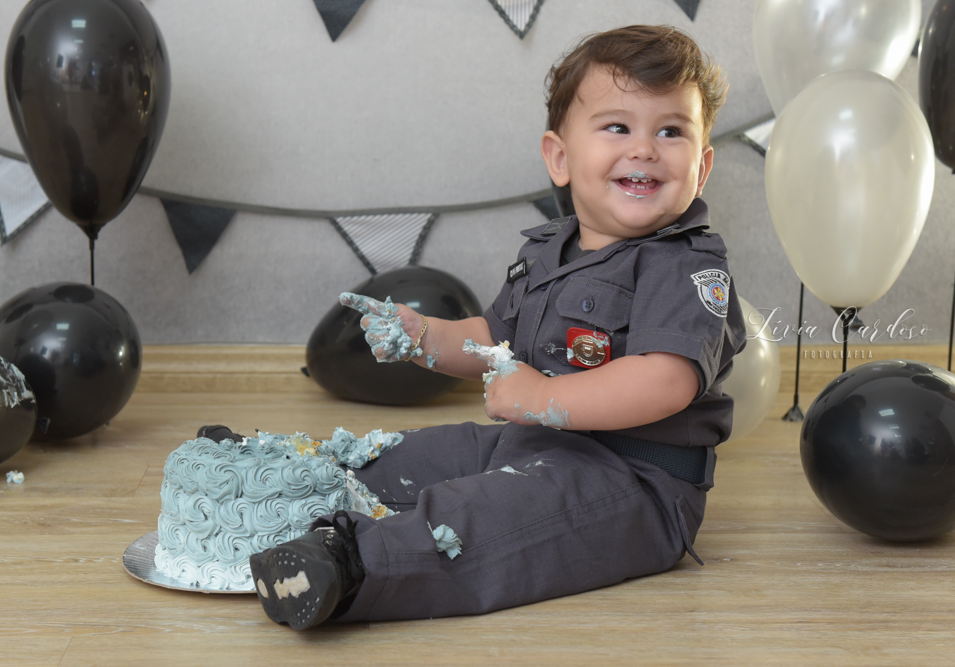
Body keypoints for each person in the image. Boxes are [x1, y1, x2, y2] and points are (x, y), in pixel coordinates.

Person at [237, 24, 747, 629]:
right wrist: (426, 337)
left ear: (703, 165)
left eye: (671, 131)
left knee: (481, 516)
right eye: (618, 126)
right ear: (560, 157)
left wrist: (541, 397)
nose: (645, 148)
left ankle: (346, 568)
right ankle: (275, 481)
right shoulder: (547, 253)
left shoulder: (684, 264)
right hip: (531, 441)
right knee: (414, 455)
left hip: (633, 480)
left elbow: (667, 381)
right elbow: (494, 341)